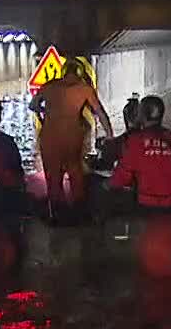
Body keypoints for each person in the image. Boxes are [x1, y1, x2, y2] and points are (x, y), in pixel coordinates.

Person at [29, 57, 114, 221]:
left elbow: (32, 105)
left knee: (53, 177)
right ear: (80, 72)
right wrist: (109, 134)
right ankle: (79, 213)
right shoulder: (84, 89)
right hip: (72, 135)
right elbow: (100, 112)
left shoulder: (50, 86)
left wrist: (45, 112)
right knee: (76, 173)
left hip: (49, 136)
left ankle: (56, 214)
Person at [108, 95, 171, 211]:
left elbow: (122, 177)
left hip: (147, 204)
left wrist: (106, 185)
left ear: (142, 116)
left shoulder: (135, 141)